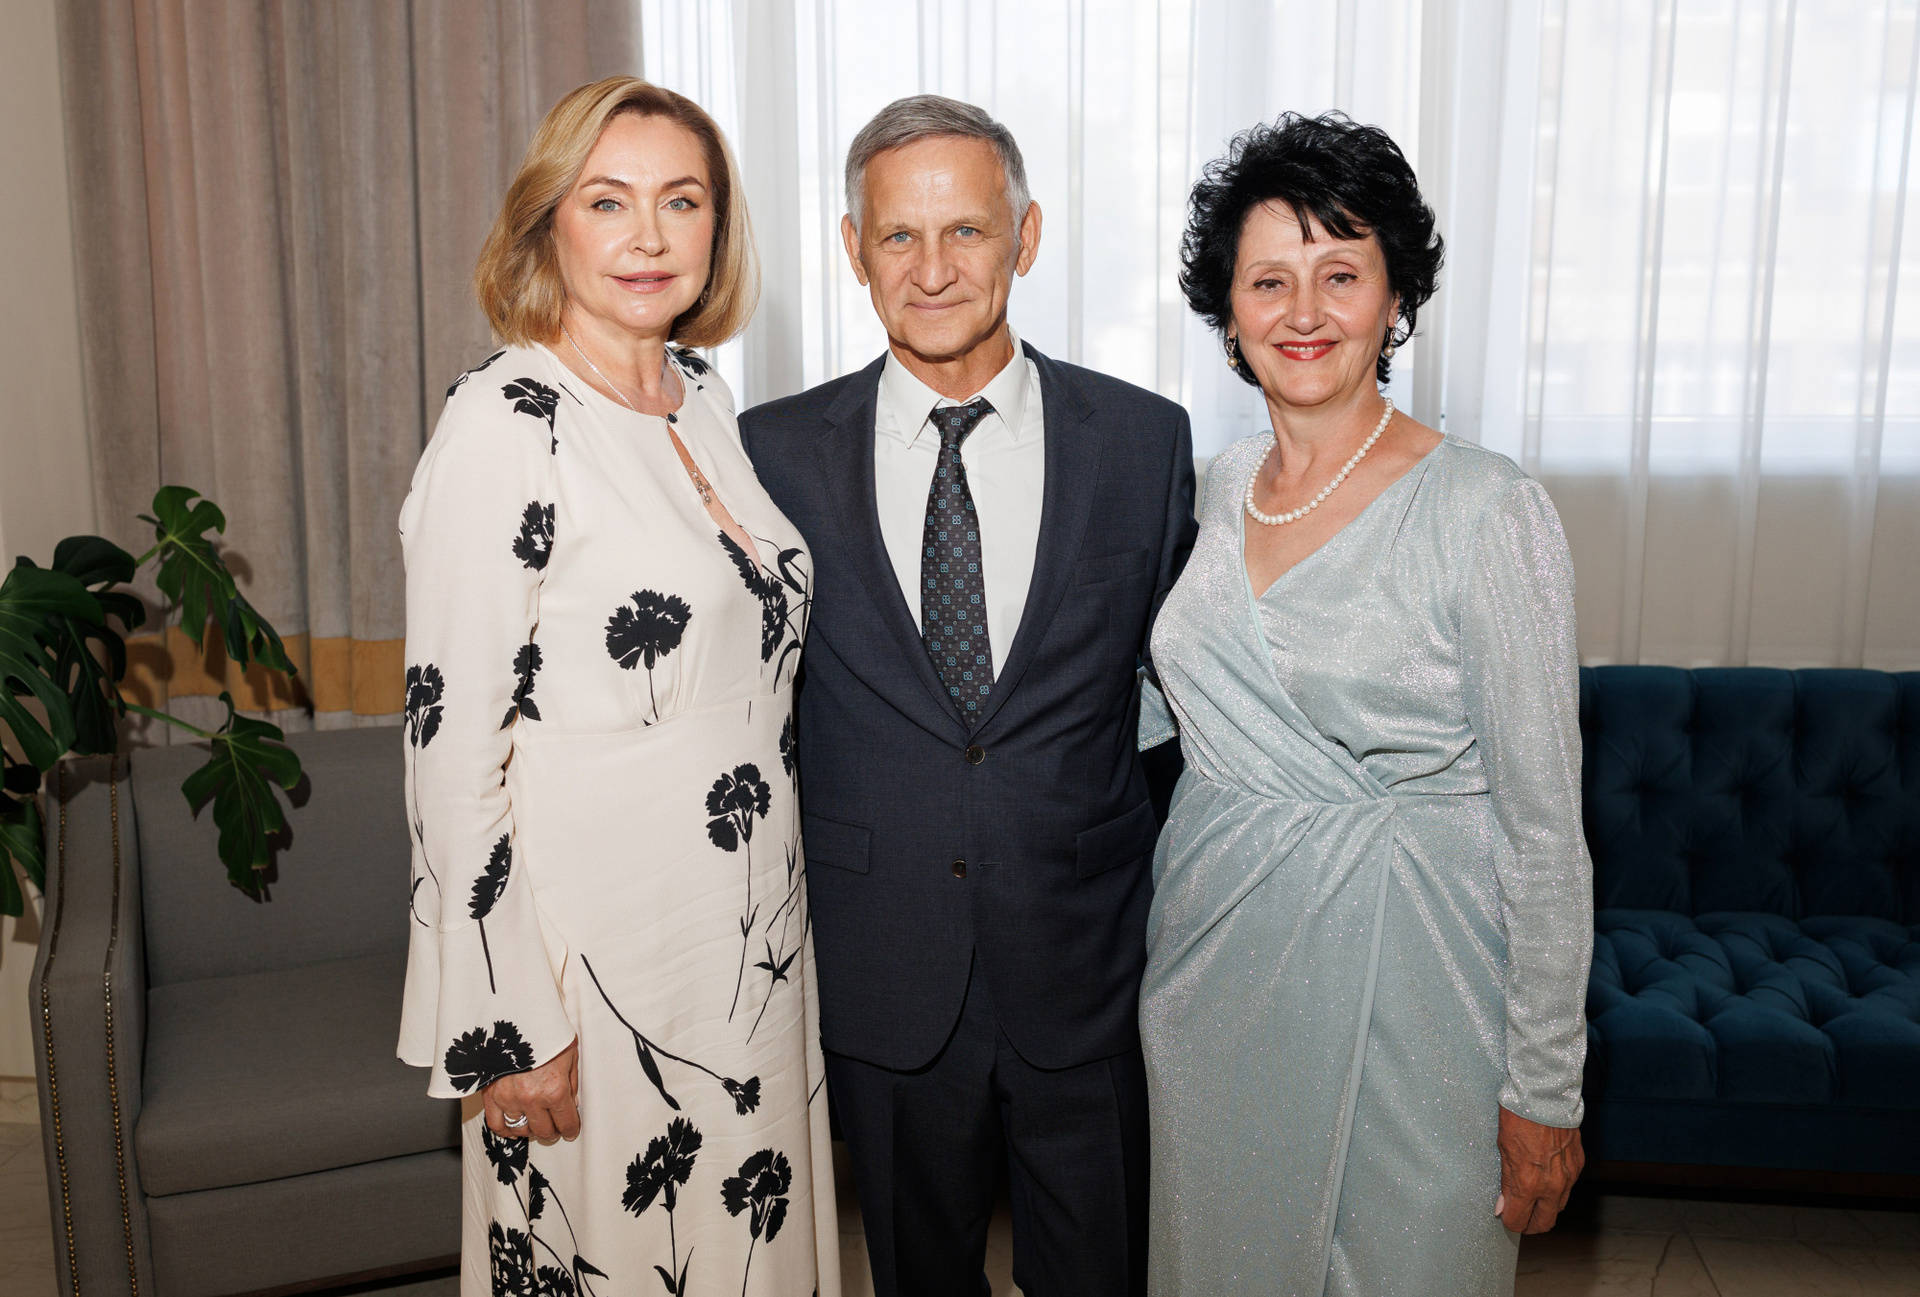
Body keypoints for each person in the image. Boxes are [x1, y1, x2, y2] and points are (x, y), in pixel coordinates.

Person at [739, 95, 1197, 1297]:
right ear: (854, 249)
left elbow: (1183, 706)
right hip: (882, 962)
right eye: (899, 234)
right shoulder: (768, 454)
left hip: (1087, 961)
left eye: (967, 231)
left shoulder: (1143, 442)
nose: (932, 268)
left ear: (1026, 236)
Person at [397, 77, 838, 1297]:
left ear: (717, 227)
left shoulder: (705, 396)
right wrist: (505, 1016)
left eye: (681, 201)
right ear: (550, 222)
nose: (648, 236)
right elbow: (450, 751)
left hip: (744, 944)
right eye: (608, 200)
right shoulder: (506, 419)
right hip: (590, 963)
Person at [1139, 112, 1591, 1295]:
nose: (1304, 311)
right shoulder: (1212, 490)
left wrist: (1546, 1087)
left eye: (1340, 274)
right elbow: (1164, 701)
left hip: (1417, 980)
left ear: (1395, 301)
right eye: (1269, 280)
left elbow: (1546, 832)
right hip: (1211, 973)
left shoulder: (1486, 510)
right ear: (1228, 312)